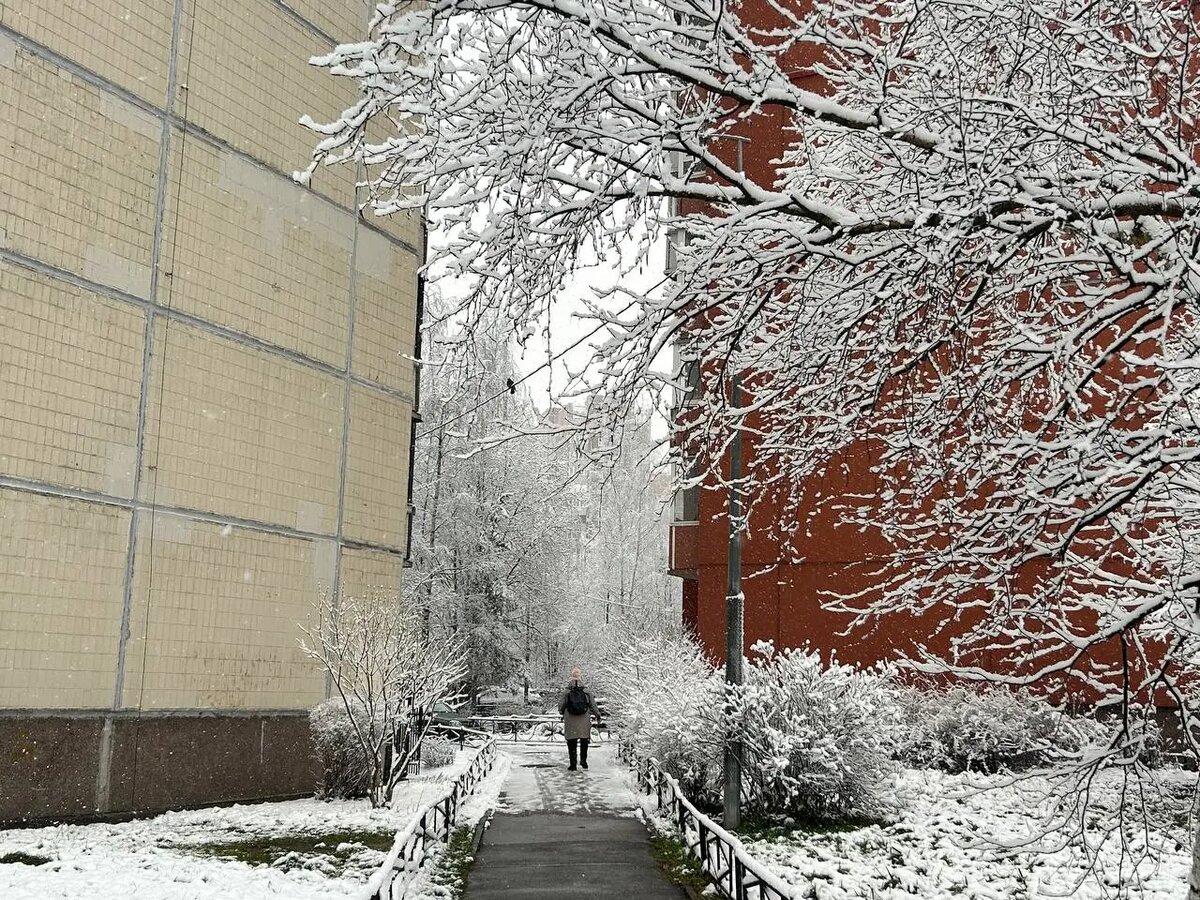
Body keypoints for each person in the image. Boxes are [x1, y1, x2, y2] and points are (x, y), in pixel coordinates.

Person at [558, 667, 600, 770]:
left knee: (572, 742)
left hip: (570, 719)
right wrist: (598, 715)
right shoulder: (586, 691)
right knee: (584, 740)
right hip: (584, 719)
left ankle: (573, 764)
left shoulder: (566, 691)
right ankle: (583, 761)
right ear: (581, 677)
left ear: (571, 678)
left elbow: (560, 706)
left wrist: (563, 712)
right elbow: (593, 705)